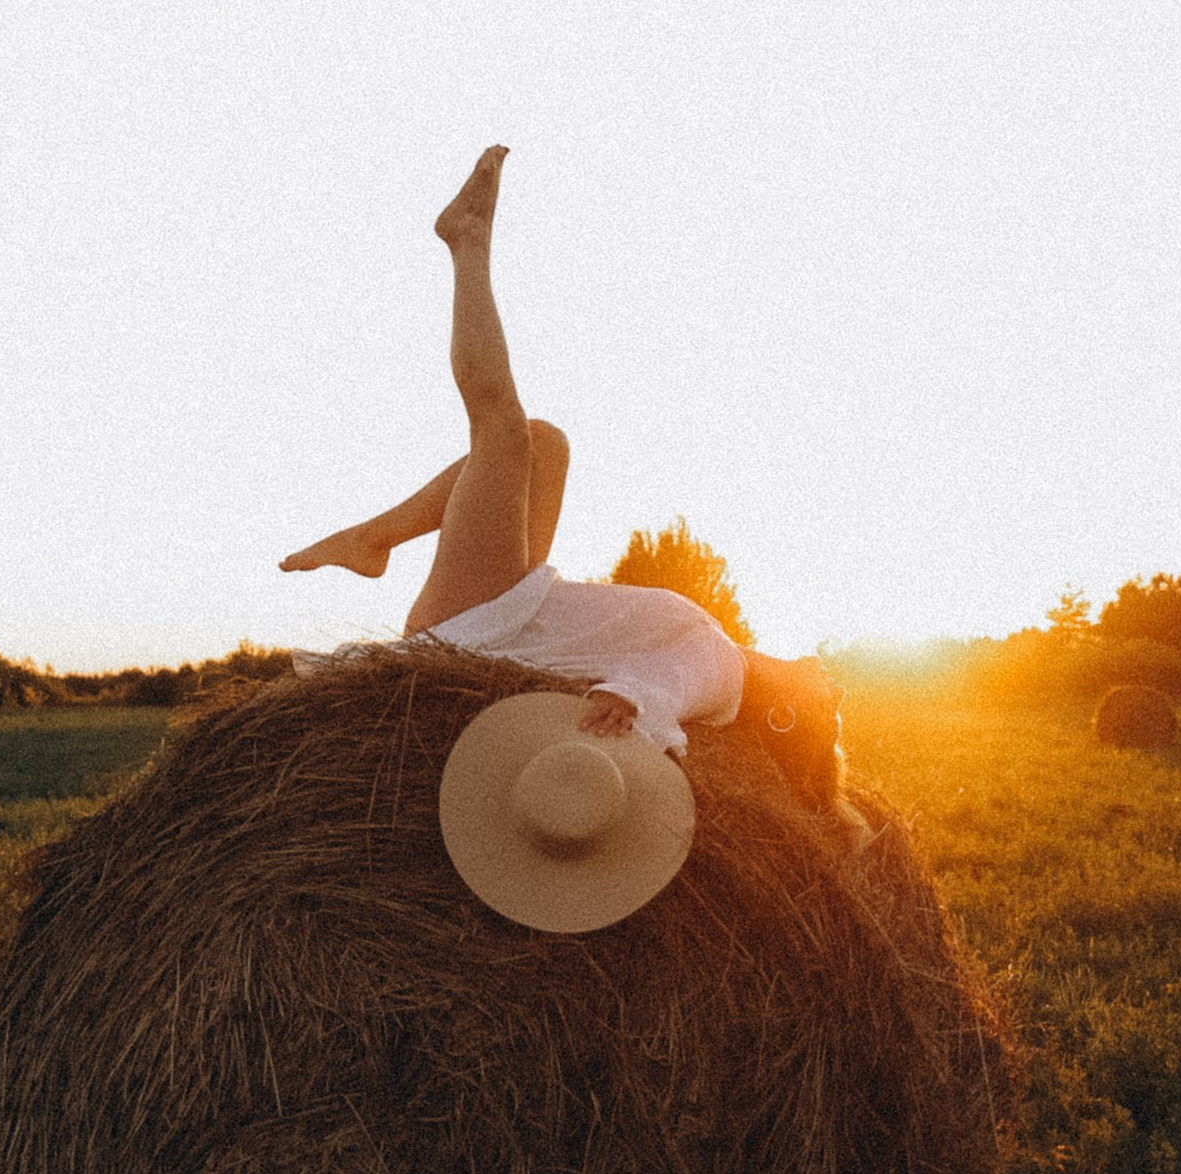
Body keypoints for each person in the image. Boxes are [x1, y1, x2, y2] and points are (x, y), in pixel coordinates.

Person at [281, 146, 843, 809]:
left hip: (482, 624)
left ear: (786, 713)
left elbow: (672, 680)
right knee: (543, 444)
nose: (831, 682)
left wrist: (630, 699)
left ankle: (466, 243)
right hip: (513, 607)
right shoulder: (718, 655)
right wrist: (634, 693)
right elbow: (667, 676)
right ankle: (371, 540)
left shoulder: (725, 671)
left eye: (828, 703)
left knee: (500, 425)